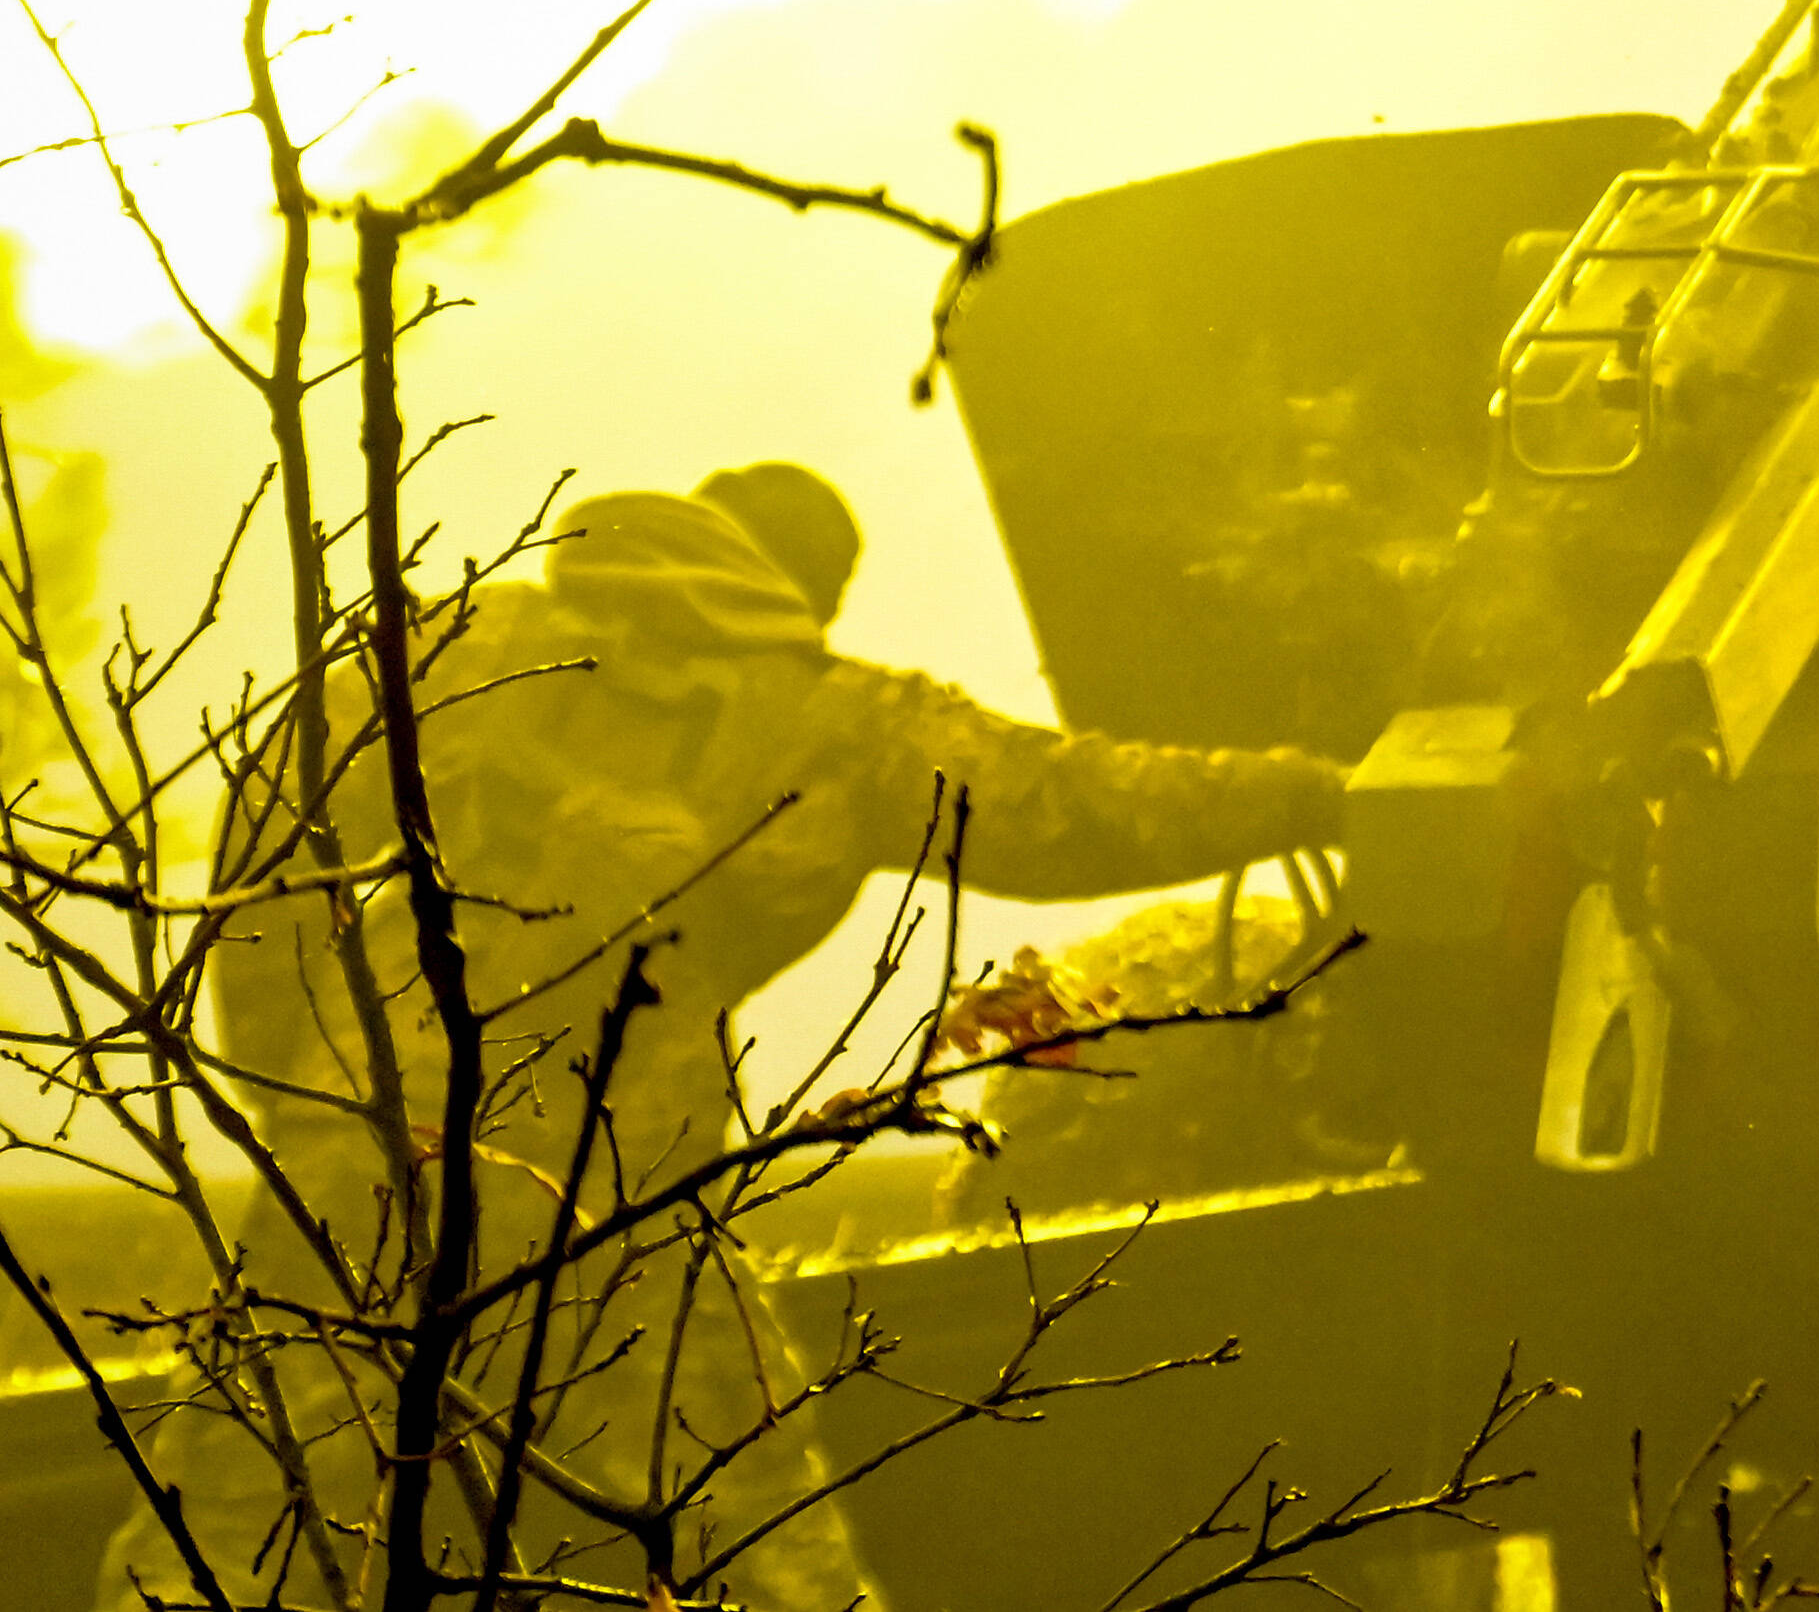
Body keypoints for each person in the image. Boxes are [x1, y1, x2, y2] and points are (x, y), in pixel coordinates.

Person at [112, 463, 1349, 1611]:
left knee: (237, 1518)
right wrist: (1322, 787)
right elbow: (1081, 801)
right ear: (804, 589)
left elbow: (268, 841)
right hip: (619, 1184)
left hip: (367, 1154)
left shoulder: (457, 644)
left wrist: (302, 1081)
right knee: (749, 1535)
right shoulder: (838, 714)